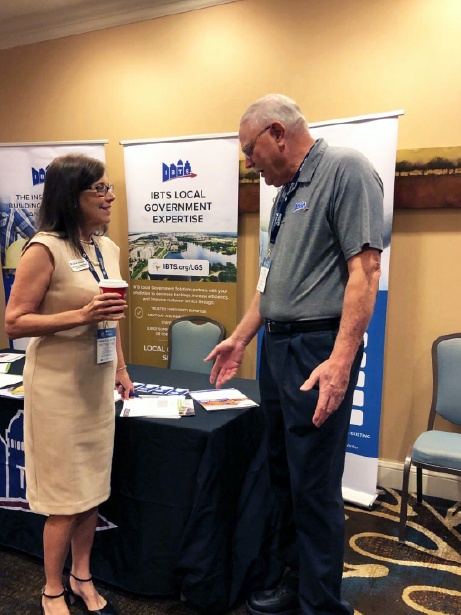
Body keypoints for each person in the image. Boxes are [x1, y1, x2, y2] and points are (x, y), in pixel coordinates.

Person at [205, 94, 383, 615]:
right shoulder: (284, 195)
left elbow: (365, 271)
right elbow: (271, 281)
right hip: (277, 345)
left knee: (313, 484)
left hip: (317, 349)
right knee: (281, 474)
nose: (248, 163)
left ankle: (321, 604)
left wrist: (342, 359)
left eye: (249, 150)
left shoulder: (345, 170)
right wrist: (241, 337)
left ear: (277, 133)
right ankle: (291, 579)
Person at [5, 154, 134, 615]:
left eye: (109, 188)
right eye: (99, 189)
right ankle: (51, 589)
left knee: (92, 491)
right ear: (70, 196)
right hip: (57, 392)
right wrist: (80, 315)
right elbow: (14, 322)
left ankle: (82, 576)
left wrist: (120, 370)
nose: (110, 196)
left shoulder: (108, 247)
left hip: (96, 387)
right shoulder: (43, 248)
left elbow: (110, 318)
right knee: (64, 499)